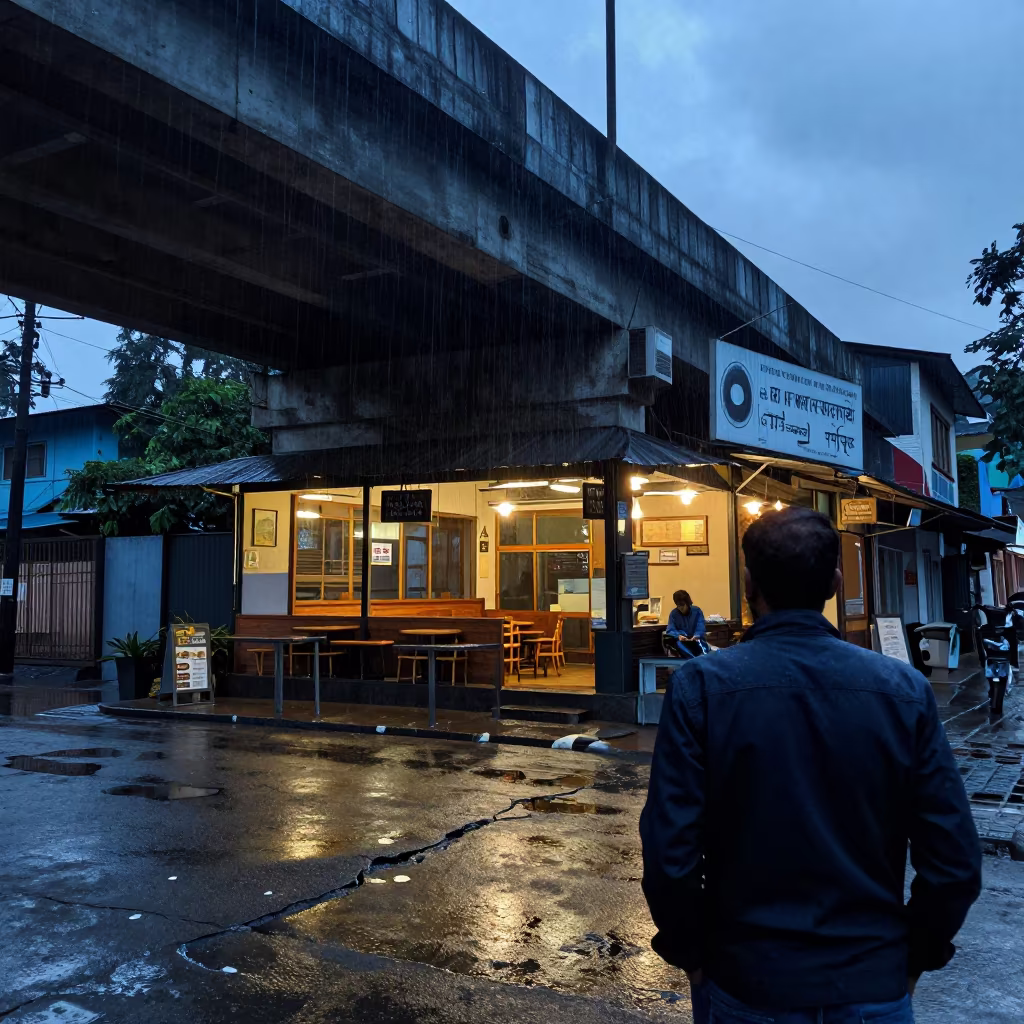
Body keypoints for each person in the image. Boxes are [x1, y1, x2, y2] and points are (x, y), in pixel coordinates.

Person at [640, 507, 981, 1024]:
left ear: (748, 582)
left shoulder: (702, 688)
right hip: (872, 980)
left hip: (748, 980)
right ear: (835, 583)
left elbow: (670, 854)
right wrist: (913, 958)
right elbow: (954, 862)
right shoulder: (904, 691)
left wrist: (693, 954)